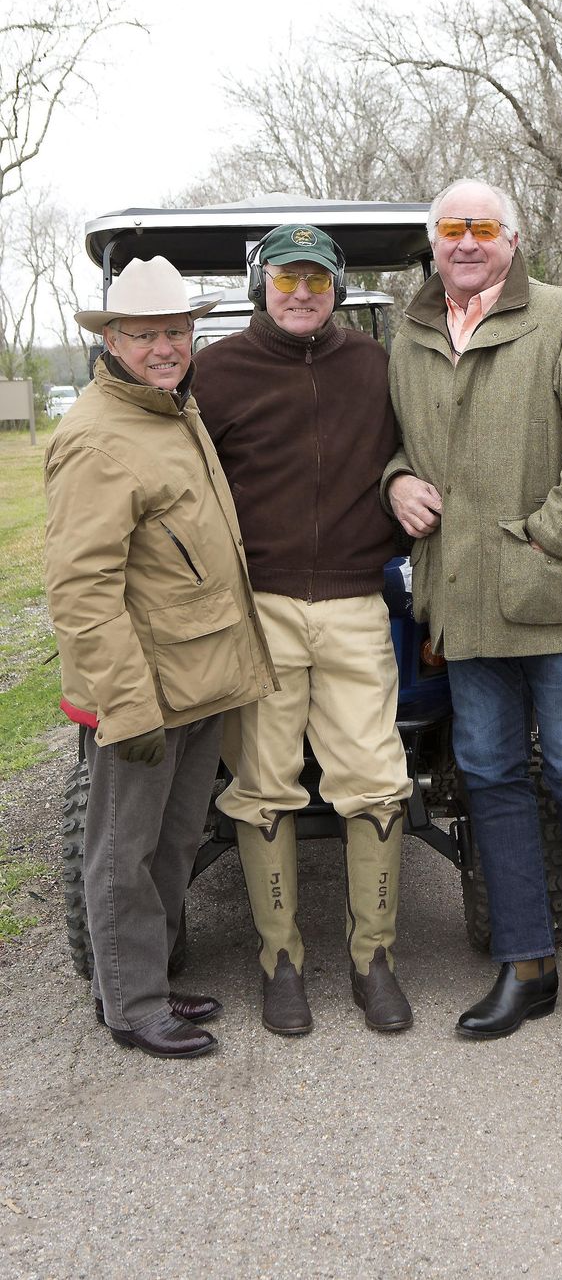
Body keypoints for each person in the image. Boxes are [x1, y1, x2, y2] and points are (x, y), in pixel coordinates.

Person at [383, 179, 562, 1039]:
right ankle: (525, 963)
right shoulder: (411, 334)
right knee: (489, 775)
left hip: (553, 595)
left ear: (514, 239)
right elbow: (394, 444)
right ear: (433, 242)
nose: (466, 242)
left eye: (483, 228)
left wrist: (546, 537)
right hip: (461, 602)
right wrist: (396, 483)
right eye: (452, 228)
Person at [44, 256, 277, 1060]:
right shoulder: (96, 437)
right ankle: (131, 1005)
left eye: (174, 331)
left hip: (197, 676)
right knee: (123, 851)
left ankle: (148, 976)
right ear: (111, 340)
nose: (164, 347)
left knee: (175, 842)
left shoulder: (173, 409)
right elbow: (82, 589)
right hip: (142, 688)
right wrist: (126, 704)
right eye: (143, 335)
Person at [193, 223, 414, 1037]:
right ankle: (280, 961)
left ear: (337, 289)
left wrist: (403, 485)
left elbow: (417, 451)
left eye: (317, 281)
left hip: (356, 603)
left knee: (376, 779)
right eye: (286, 279)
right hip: (260, 606)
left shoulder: (378, 366)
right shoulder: (215, 374)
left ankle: (373, 960)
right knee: (261, 783)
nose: (301, 294)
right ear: (262, 287)